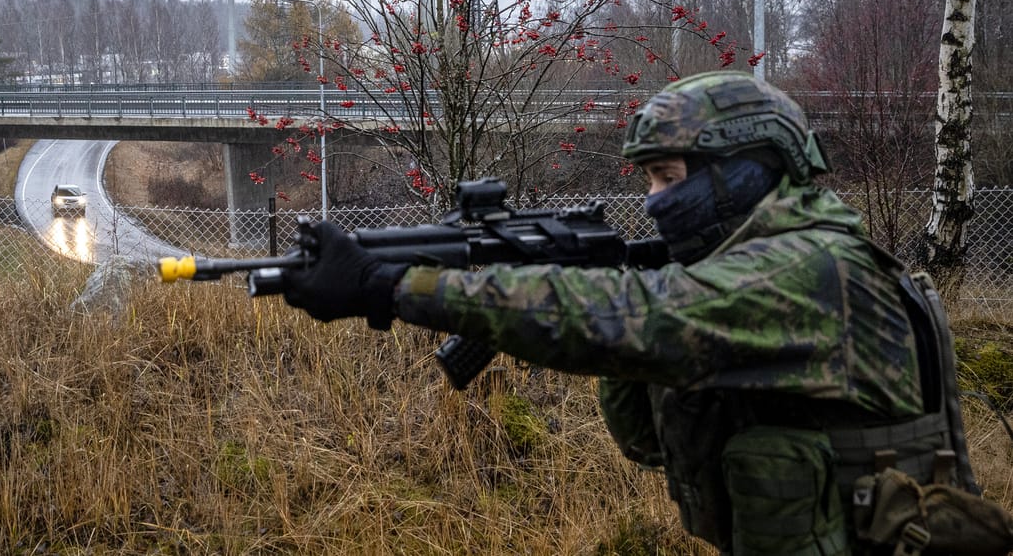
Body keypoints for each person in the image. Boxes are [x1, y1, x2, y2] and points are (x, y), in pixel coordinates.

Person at [280, 70, 986, 555]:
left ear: (747, 171)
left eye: (668, 177)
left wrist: (397, 288)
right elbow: (649, 441)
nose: (651, 200)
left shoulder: (814, 270)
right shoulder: (745, 271)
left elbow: (645, 320)